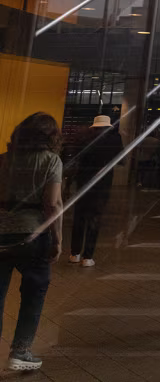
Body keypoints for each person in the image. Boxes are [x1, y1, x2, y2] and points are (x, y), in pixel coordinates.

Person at [0, 113, 64, 371]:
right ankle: (20, 352)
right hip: (33, 236)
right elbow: (52, 204)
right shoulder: (51, 161)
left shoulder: (3, 160)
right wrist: (58, 240)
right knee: (33, 295)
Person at [65, 115, 122, 267]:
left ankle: (74, 253)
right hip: (101, 184)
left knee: (79, 218)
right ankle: (87, 257)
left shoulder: (83, 139)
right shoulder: (113, 140)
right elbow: (121, 159)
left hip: (83, 182)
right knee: (94, 219)